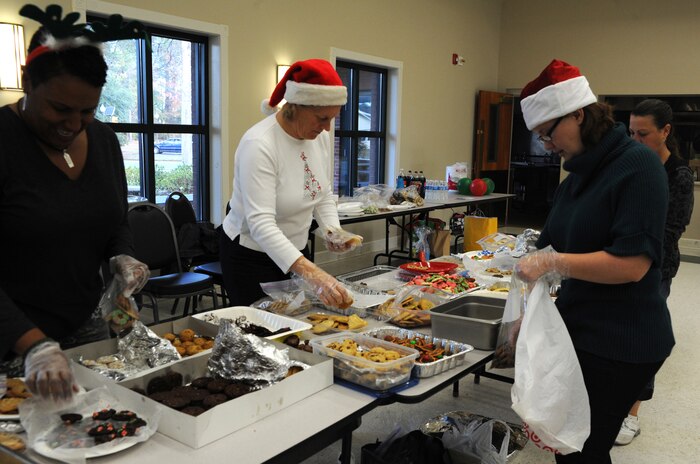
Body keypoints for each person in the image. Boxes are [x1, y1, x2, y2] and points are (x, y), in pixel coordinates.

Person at [514, 59, 674, 463]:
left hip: (624, 339)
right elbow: (547, 245)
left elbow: (632, 265)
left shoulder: (638, 167)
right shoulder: (579, 176)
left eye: (548, 135)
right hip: (582, 325)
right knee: (571, 446)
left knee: (583, 449)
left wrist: (553, 264)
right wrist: (518, 314)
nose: (547, 146)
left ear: (579, 114)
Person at [0, 4, 150, 403]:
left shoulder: (102, 141)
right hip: (12, 338)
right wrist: (34, 345)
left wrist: (123, 258)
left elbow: (114, 218)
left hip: (86, 323)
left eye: (88, 110)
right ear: (26, 81)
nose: (73, 124)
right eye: (61, 109)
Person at [220, 59, 361, 308]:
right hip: (251, 257)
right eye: (322, 118)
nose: (327, 128)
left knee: (297, 326)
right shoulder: (259, 144)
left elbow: (323, 192)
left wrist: (332, 230)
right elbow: (261, 224)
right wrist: (313, 273)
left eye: (332, 119)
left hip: (296, 253)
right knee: (262, 334)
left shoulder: (317, 136)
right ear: (295, 106)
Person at [613, 99, 695, 445]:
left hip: (656, 269)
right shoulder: (628, 166)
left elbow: (669, 231)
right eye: (631, 133)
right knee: (613, 335)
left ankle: (631, 414)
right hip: (618, 263)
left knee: (640, 338)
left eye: (643, 134)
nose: (635, 140)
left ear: (665, 131)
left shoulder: (678, 175)